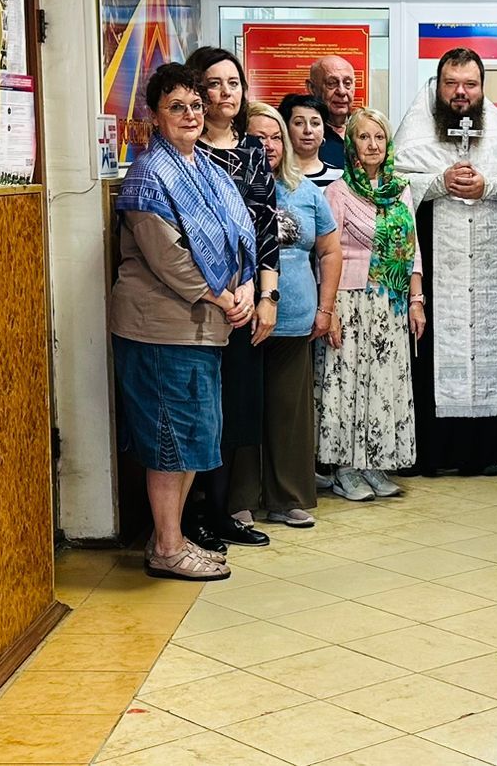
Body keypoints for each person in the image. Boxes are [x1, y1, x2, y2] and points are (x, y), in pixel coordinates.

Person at [110, 63, 255, 581]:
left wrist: (247, 286)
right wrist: (224, 296)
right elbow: (168, 257)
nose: (191, 115)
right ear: (155, 115)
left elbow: (240, 235)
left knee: (192, 438)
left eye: (196, 105)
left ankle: (167, 538)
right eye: (177, 107)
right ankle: (169, 549)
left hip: (204, 325)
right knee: (169, 442)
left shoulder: (206, 169)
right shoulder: (150, 174)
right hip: (161, 328)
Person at [393, 49, 497, 476]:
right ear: (437, 86)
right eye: (451, 83)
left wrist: (488, 185)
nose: (461, 92)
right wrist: (438, 181)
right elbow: (395, 180)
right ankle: (434, 452)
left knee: (490, 347)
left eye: (470, 84)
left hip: (490, 265)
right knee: (433, 348)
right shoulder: (416, 131)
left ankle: (486, 452)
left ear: (481, 88)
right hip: (435, 266)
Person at [229, 101, 343, 529]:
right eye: (259, 137)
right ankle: (238, 499)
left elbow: (329, 251)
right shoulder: (231, 186)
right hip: (244, 319)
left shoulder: (306, 191)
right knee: (244, 410)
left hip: (296, 320)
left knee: (288, 415)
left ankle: (286, 498)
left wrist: (326, 309)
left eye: (276, 137)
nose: (270, 145)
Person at [185, 46, 279, 551]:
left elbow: (266, 227)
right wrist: (223, 292)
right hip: (201, 300)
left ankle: (220, 514)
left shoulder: (253, 151)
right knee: (198, 412)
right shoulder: (187, 152)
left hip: (247, 300)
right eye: (214, 83)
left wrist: (267, 296)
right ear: (196, 90)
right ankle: (189, 518)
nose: (225, 92)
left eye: (234, 83)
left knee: (235, 411)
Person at [317, 108, 426, 501]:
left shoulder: (401, 189)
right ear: (351, 145)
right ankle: (346, 469)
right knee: (348, 385)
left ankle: (375, 464)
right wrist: (328, 310)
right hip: (349, 301)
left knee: (382, 384)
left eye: (379, 137)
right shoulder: (338, 192)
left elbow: (412, 249)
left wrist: (416, 300)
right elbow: (325, 254)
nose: (373, 144)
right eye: (364, 137)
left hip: (390, 303)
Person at [281, 92, 343, 188]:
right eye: (299, 123)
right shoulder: (277, 176)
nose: (308, 130)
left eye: (315, 123)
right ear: (286, 128)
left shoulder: (340, 178)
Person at [307, 55, 357, 169]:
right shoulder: (305, 134)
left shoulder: (362, 128)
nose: (342, 91)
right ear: (312, 88)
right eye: (331, 83)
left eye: (347, 83)